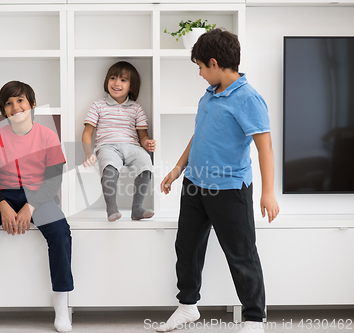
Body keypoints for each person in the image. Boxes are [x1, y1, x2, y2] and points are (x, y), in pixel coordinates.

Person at [157, 29, 279, 333]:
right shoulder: (209, 95)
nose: (199, 73)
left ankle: (254, 319)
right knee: (187, 248)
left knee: (241, 254)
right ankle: (187, 306)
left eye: (200, 67)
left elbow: (265, 147)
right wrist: (178, 168)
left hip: (230, 190)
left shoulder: (249, 98)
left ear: (214, 63)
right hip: (195, 185)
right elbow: (201, 134)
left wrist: (268, 193)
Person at [0, 81, 73, 333]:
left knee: (61, 232)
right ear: (4, 111)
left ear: (32, 104)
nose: (15, 106)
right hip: (2, 195)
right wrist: (3, 206)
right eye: (8, 103)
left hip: (39, 196)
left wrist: (30, 207)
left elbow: (54, 178)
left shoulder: (47, 135)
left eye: (20, 100)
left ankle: (61, 300)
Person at [82, 61, 156, 222]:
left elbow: (142, 135)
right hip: (107, 147)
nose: (116, 83)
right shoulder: (98, 105)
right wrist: (88, 153)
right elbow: (87, 132)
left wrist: (147, 143)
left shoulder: (137, 109)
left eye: (123, 80)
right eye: (113, 78)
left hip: (132, 147)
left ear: (132, 86)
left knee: (146, 162)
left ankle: (137, 208)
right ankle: (111, 208)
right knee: (108, 166)